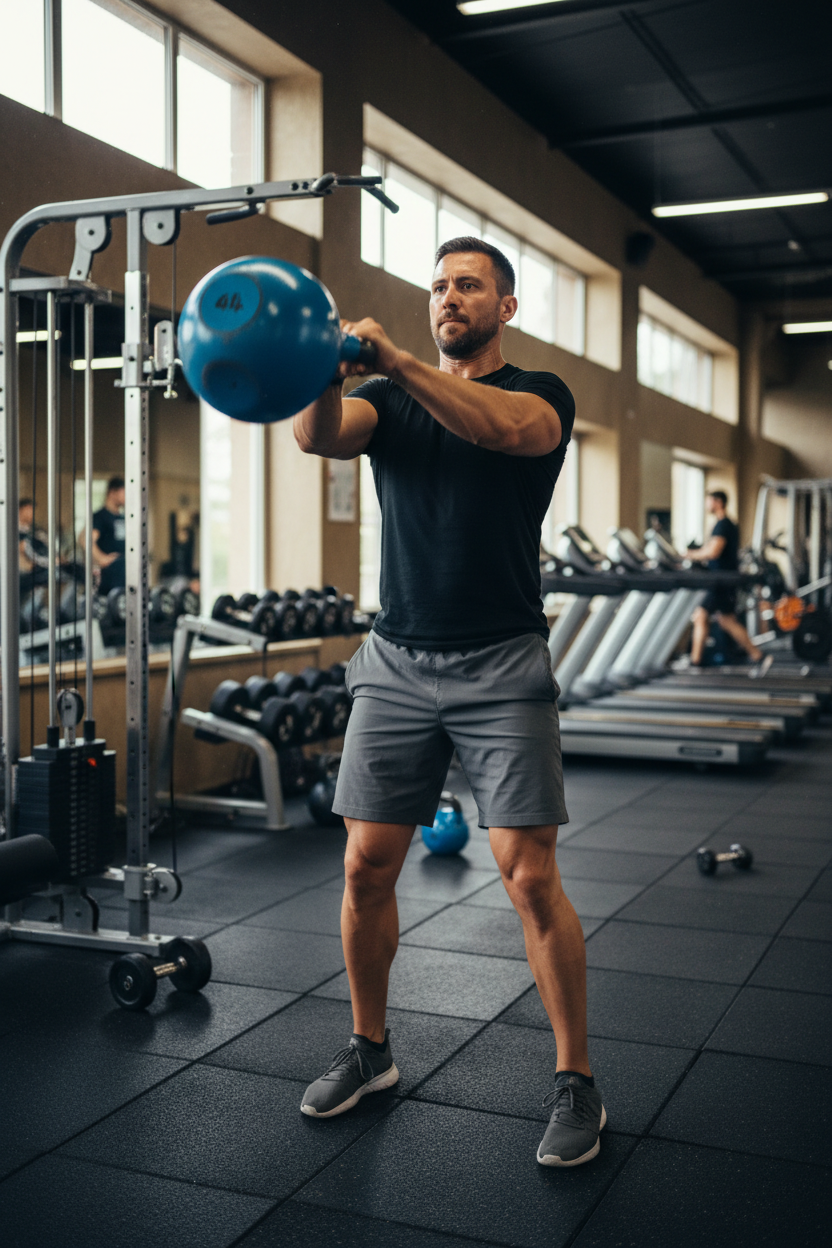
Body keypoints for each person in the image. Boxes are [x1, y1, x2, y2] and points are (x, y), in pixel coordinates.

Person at [292, 237, 605, 1168]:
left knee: (529, 877)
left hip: (503, 661)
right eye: (437, 287)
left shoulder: (541, 393)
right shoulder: (386, 401)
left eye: (467, 286)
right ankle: (371, 1050)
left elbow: (498, 432)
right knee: (363, 869)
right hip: (395, 658)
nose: (447, 299)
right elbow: (315, 436)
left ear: (505, 307)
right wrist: (319, 371)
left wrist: (391, 359)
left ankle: (577, 1082)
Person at [686, 490, 763, 666]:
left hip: (720, 581)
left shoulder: (723, 524)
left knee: (701, 616)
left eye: (709, 500)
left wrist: (690, 555)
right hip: (722, 580)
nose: (706, 504)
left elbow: (714, 551)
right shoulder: (726, 524)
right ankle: (757, 655)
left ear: (718, 502)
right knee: (726, 620)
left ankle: (695, 661)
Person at [84, 476, 126, 595]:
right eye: (124, 493)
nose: (127, 497)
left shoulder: (122, 517)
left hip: (123, 573)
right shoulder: (100, 516)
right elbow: (85, 540)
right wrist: (101, 558)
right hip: (110, 577)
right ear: (112, 493)